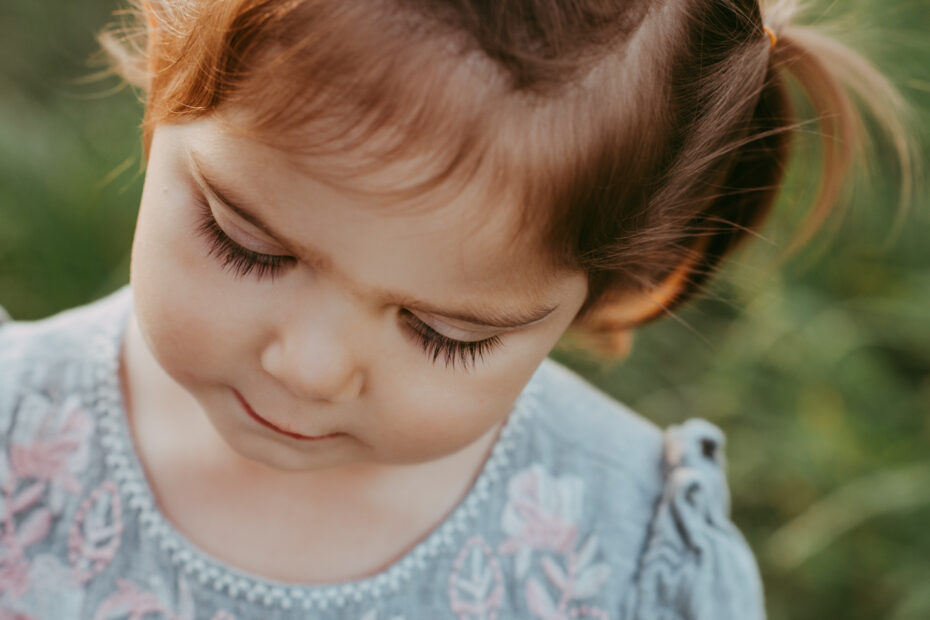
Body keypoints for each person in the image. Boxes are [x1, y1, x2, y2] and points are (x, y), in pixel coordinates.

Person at [0, 0, 914, 618]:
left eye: (445, 332)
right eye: (249, 244)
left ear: (623, 282)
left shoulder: (629, 560)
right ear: (165, 74)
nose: (307, 366)